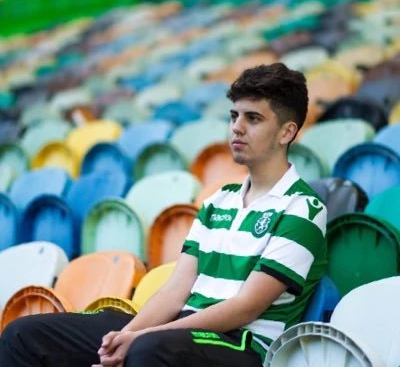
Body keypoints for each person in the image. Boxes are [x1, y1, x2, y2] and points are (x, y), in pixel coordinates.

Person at [0, 63, 327, 367]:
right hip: (179, 330)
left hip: (241, 344)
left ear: (286, 132)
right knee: (24, 334)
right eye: (233, 116)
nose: (236, 128)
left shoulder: (302, 209)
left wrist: (142, 338)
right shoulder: (219, 201)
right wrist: (124, 338)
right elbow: (174, 292)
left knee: (147, 349)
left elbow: (246, 307)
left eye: (253, 119)